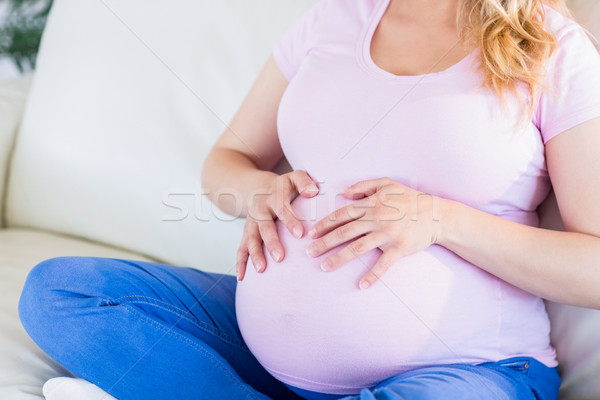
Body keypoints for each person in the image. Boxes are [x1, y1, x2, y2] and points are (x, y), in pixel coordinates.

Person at [18, 0, 600, 399]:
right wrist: (257, 192)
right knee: (61, 294)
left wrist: (442, 220)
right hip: (262, 349)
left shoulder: (553, 49)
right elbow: (226, 164)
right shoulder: (333, 20)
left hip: (466, 371)